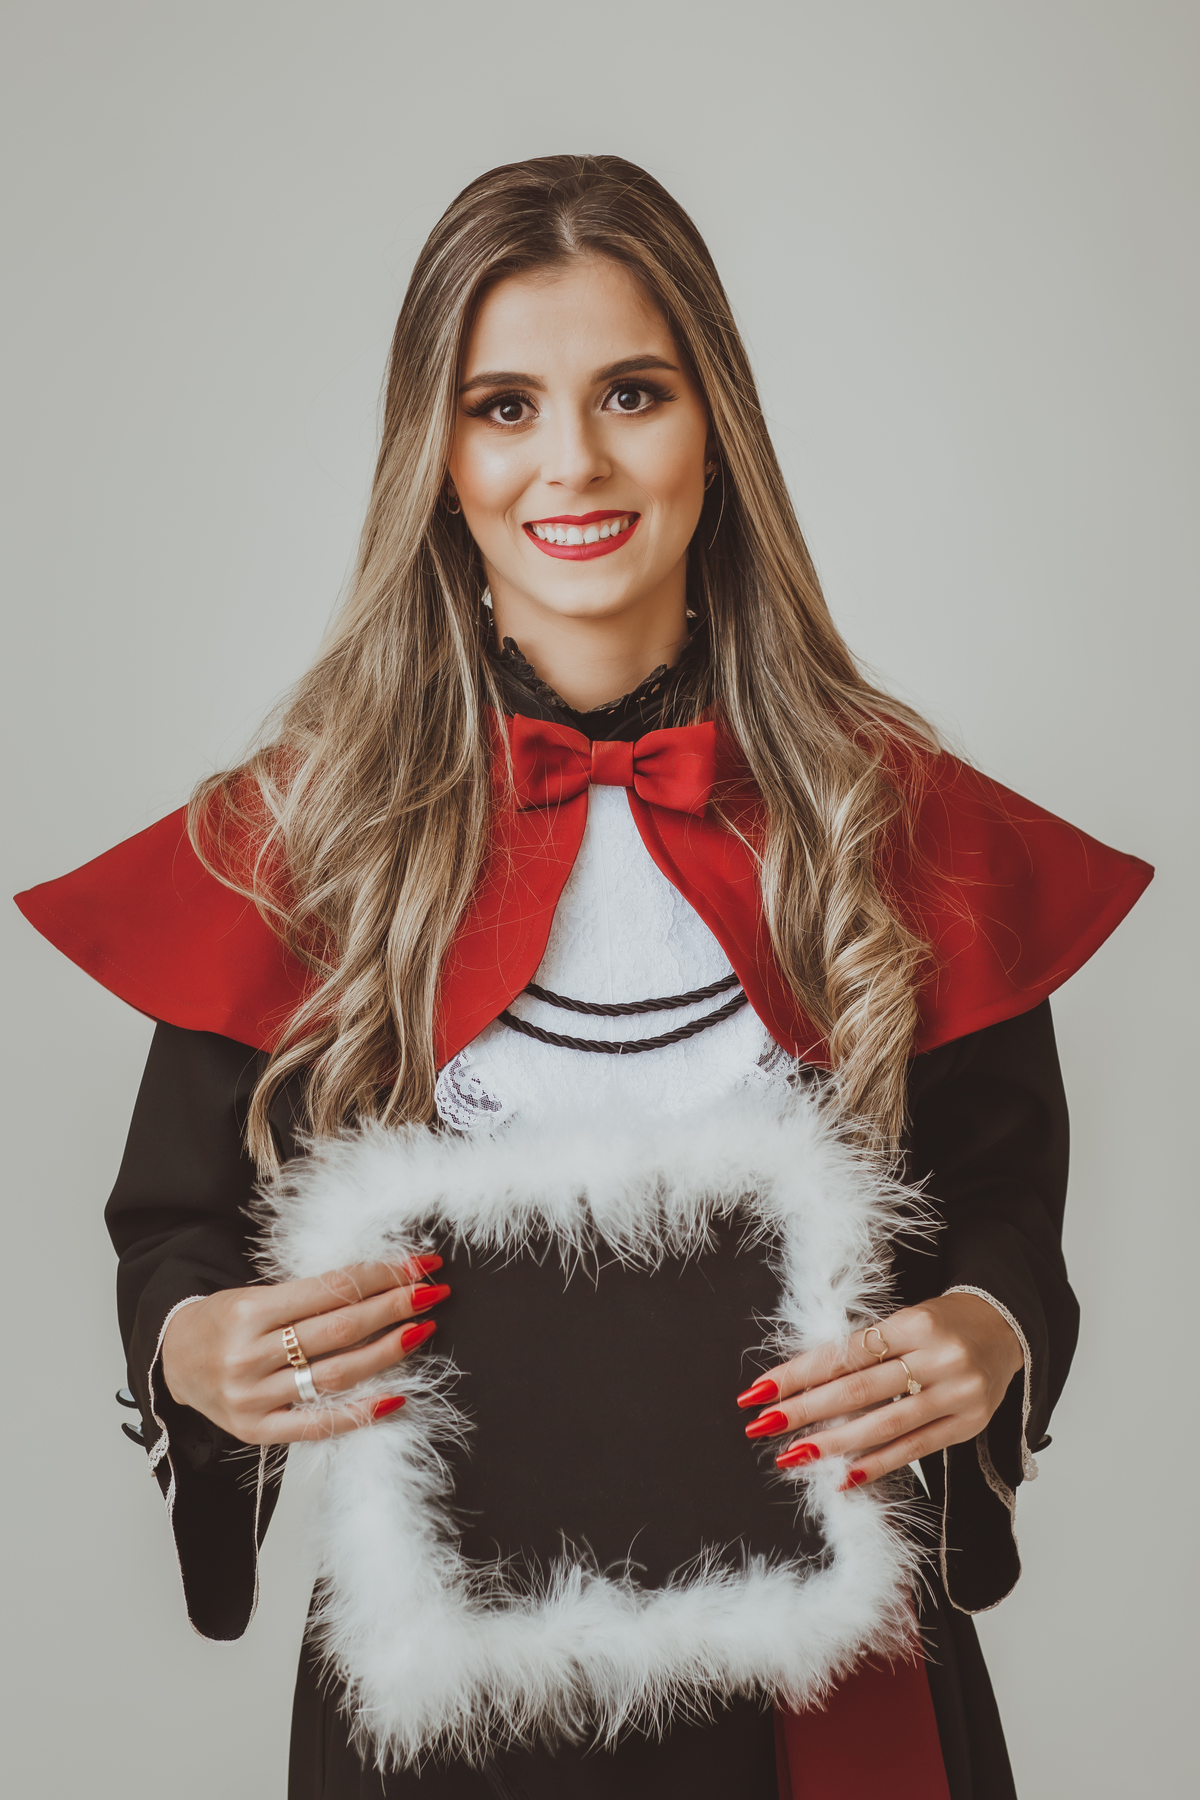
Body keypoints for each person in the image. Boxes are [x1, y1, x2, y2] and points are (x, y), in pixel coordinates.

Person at [16, 155, 1151, 1800]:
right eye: (504, 408)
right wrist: (202, 1350)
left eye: (632, 392)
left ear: (717, 428)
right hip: (435, 1714)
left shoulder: (888, 819)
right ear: (438, 458)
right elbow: (175, 1228)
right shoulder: (308, 838)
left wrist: (986, 1329)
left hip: (829, 1705)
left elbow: (1000, 1207)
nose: (575, 461)